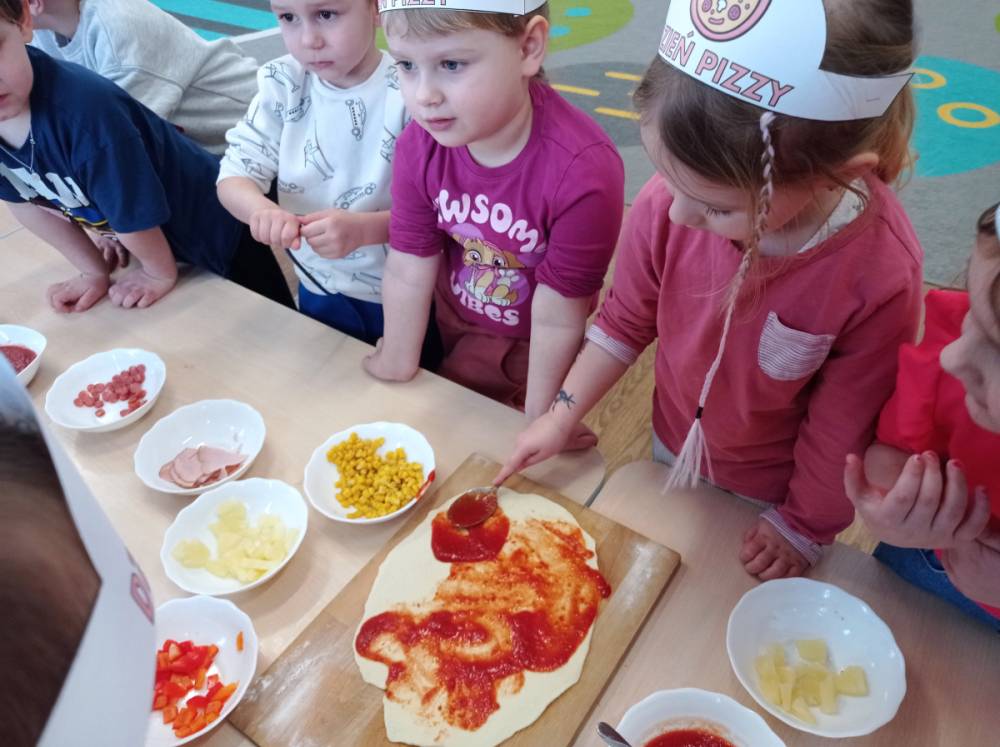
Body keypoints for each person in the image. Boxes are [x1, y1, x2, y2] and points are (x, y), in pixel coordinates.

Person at [498, 0, 923, 580]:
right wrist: (558, 415)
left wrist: (803, 524)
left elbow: (841, 428)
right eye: (666, 179)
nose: (675, 213)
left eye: (716, 207)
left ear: (839, 175)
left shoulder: (880, 275)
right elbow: (623, 322)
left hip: (770, 488)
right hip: (671, 438)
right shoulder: (671, 204)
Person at [364, 0, 624, 427]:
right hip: (451, 319)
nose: (424, 96)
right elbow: (409, 263)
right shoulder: (418, 145)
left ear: (528, 47)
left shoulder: (584, 172)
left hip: (532, 346)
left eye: (451, 64)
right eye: (406, 65)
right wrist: (397, 357)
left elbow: (559, 315)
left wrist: (542, 418)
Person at [0, 1, 293, 312]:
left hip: (212, 216)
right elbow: (23, 198)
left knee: (266, 315)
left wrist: (156, 271)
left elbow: (124, 183)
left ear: (23, 21)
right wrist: (92, 269)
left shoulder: (89, 107)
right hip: (145, 225)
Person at [218, 0, 412, 348]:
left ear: (375, 8)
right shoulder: (283, 83)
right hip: (316, 284)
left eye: (326, 14)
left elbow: (446, 213)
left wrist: (366, 229)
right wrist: (260, 210)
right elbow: (233, 176)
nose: (309, 40)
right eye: (288, 17)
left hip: (407, 292)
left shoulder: (413, 89)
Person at [845, 203, 1000, 632]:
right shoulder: (949, 351)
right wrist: (896, 513)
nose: (954, 356)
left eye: (996, 349)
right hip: (927, 559)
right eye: (974, 317)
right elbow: (889, 453)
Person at [29, 0, 258, 155]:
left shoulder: (119, 29)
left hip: (256, 138)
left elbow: (116, 140)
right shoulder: (41, 34)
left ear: (33, 3)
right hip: (211, 152)